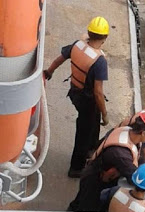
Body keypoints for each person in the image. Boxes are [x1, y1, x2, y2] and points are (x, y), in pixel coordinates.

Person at [44, 16, 110, 178]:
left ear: (89, 32)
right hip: (87, 99)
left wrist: (49, 71)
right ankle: (76, 167)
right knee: (83, 131)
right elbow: (98, 92)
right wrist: (106, 114)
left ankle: (91, 148)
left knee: (92, 122)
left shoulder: (77, 46)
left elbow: (60, 59)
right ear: (105, 37)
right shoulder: (99, 61)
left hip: (75, 92)